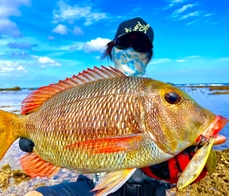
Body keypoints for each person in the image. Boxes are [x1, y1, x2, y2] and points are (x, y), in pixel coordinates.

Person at [20, 17, 207, 196]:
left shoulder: (157, 91)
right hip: (95, 187)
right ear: (112, 49)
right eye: (123, 43)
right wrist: (35, 132)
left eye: (140, 45)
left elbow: (180, 174)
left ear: (148, 56)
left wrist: (191, 166)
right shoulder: (90, 89)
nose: (130, 50)